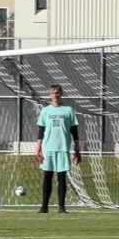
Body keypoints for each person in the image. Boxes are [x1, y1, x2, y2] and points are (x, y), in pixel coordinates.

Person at [35, 84, 81, 213]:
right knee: (47, 176)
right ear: (49, 95)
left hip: (62, 148)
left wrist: (77, 149)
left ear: (62, 94)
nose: (55, 95)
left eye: (57, 93)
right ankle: (44, 207)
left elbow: (74, 131)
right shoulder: (45, 111)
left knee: (61, 177)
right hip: (48, 147)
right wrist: (38, 149)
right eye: (52, 93)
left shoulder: (68, 110)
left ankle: (61, 207)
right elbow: (41, 131)